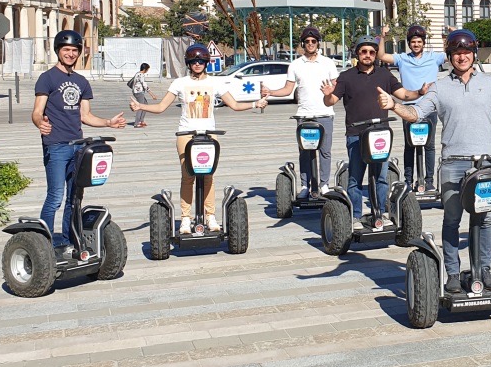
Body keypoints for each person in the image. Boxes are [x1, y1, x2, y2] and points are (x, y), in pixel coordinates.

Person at [378, 29, 491, 293]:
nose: (462, 57)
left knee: (484, 220)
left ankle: (483, 269)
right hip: (453, 163)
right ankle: (451, 272)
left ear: (474, 54)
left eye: (466, 52)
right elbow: (415, 113)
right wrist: (393, 105)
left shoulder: (490, 83)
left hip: (485, 164)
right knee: (451, 220)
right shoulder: (439, 87)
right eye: (457, 53)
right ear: (450, 56)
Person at [131, 44, 267, 235]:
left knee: (208, 176)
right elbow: (162, 107)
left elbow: (234, 104)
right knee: (188, 177)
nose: (197, 64)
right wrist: (140, 107)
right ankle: (186, 219)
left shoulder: (215, 83)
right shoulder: (180, 83)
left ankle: (210, 216)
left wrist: (255, 103)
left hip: (209, 135)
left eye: (201, 61)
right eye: (194, 61)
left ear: (206, 63)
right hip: (186, 134)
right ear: (188, 63)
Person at [31, 30, 125, 256]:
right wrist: (39, 123)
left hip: (78, 146)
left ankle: (67, 238)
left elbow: (85, 116)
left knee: (75, 197)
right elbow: (37, 111)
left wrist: (108, 123)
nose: (71, 54)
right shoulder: (47, 78)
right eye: (66, 50)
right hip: (56, 145)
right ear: (58, 51)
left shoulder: (82, 82)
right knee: (55, 196)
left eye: (74, 50)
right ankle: (44, 243)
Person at [323, 36, 421, 229]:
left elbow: (404, 95)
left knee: (381, 177)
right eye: (363, 52)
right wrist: (327, 94)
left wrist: (421, 91)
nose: (367, 55)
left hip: (380, 135)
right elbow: (331, 101)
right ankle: (356, 216)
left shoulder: (384, 75)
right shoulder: (347, 76)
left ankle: (380, 212)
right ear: (357, 54)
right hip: (356, 133)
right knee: (355, 178)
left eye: (371, 52)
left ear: (376, 55)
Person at [263, 26, 342, 198]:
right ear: (303, 44)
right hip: (304, 114)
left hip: (325, 113)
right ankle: (306, 185)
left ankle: (324, 185)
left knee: (325, 151)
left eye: (313, 41)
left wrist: (334, 91)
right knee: (305, 152)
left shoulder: (328, 63)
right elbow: (287, 89)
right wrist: (271, 92)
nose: (310, 44)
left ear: (318, 43)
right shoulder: (295, 65)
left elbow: (338, 85)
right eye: (307, 42)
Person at [377, 24, 443, 191]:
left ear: (423, 42)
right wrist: (382, 37)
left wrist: (451, 35)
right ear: (409, 43)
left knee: (429, 145)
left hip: (430, 106)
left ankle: (428, 181)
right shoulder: (402, 58)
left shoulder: (434, 57)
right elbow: (382, 56)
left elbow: (453, 54)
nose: (416, 44)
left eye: (419, 41)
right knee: (410, 145)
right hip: (408, 107)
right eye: (413, 42)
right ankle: (408, 179)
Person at [129, 63, 152, 128]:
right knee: (140, 107)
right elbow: (144, 85)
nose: (147, 71)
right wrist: (152, 94)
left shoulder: (137, 73)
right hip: (139, 92)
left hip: (136, 92)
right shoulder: (141, 75)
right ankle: (136, 123)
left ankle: (141, 120)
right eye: (147, 69)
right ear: (145, 69)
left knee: (145, 104)